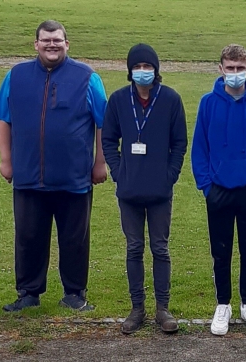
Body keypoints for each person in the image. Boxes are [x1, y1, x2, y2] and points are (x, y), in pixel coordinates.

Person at [0, 20, 107, 312]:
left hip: (74, 176)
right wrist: (6, 160)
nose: (51, 45)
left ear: (67, 44)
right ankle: (28, 293)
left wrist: (100, 162)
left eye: (57, 40)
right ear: (36, 44)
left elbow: (103, 124)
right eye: (46, 40)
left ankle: (74, 293)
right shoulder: (15, 76)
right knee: (28, 236)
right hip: (28, 175)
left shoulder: (87, 77)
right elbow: (2, 118)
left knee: (74, 239)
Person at [191, 44, 246, 336]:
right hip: (218, 189)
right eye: (229, 68)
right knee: (221, 250)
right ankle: (223, 304)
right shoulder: (208, 102)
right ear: (220, 69)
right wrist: (206, 186)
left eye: (240, 68)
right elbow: (199, 148)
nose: (235, 74)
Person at [102, 44, 187, 334]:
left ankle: (163, 308)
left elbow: (179, 144)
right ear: (130, 71)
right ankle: (137, 308)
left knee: (160, 248)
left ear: (156, 70)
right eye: (137, 67)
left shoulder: (171, 100)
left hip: (160, 190)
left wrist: (170, 176)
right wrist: (118, 171)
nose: (143, 72)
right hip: (129, 190)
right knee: (134, 247)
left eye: (147, 67)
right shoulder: (117, 100)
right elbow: (109, 140)